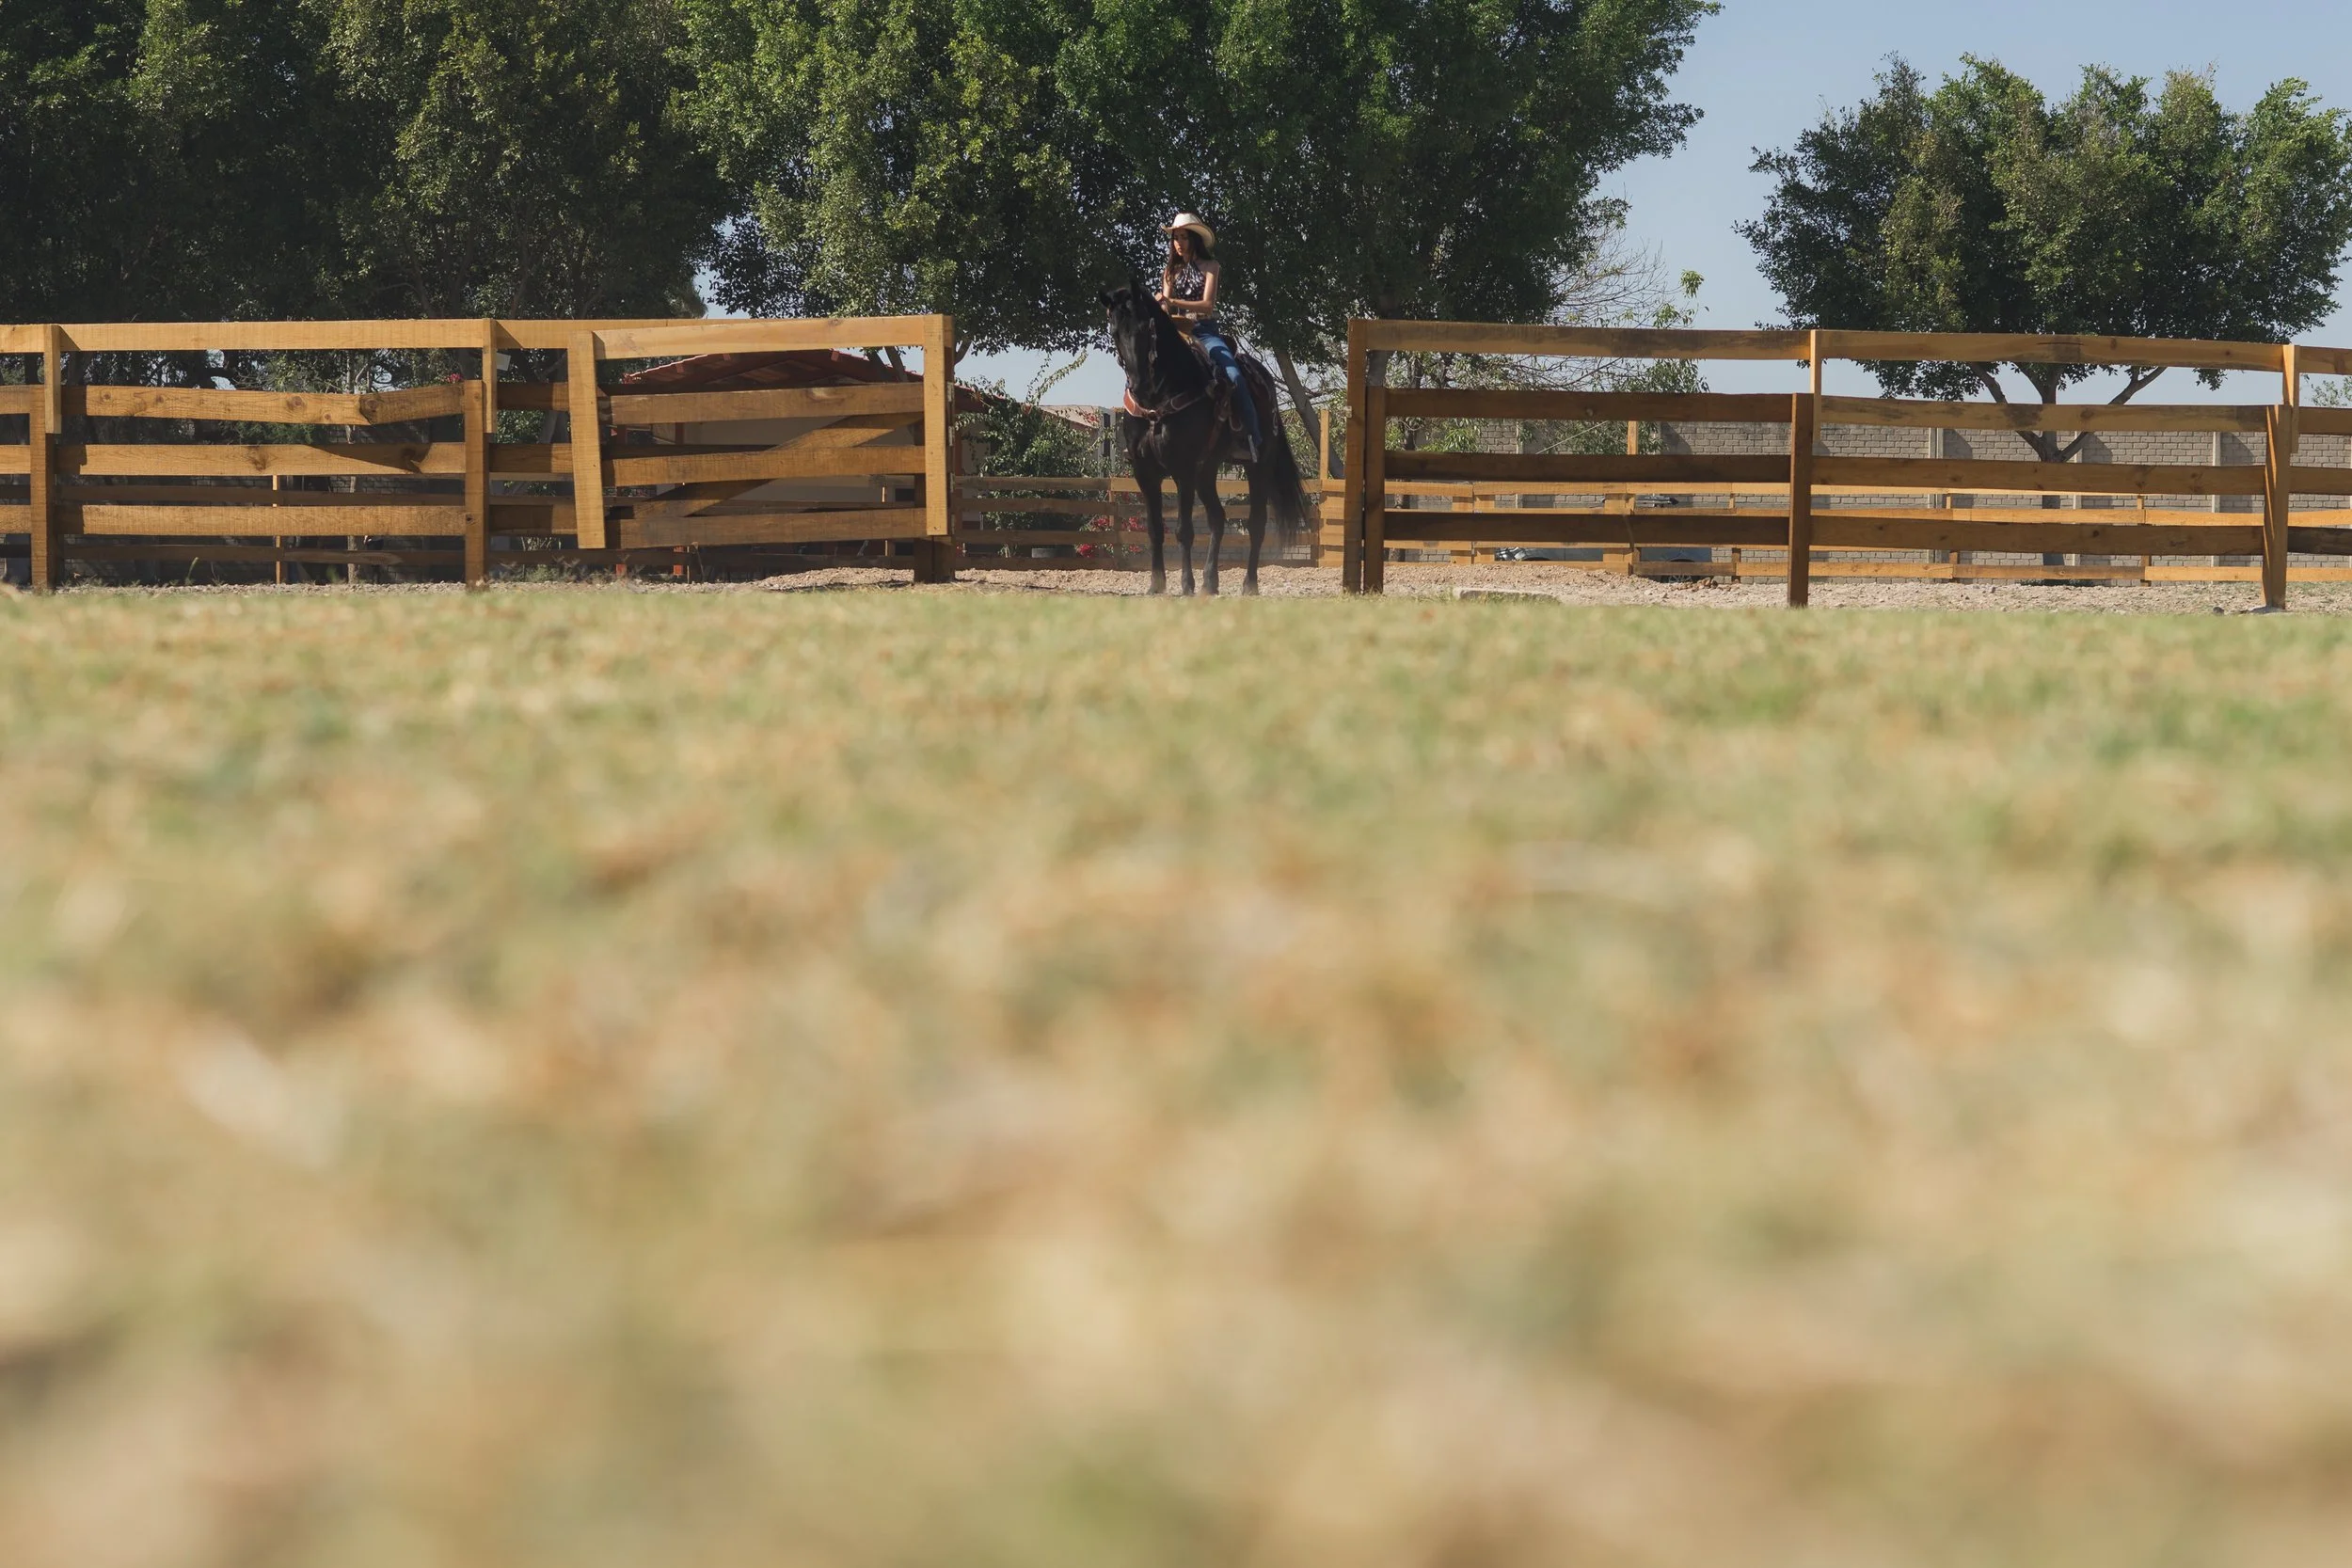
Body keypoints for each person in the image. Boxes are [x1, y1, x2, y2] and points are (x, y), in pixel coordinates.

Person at [1156, 213, 1262, 459]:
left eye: (1183, 237)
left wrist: (1171, 300)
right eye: (1175, 238)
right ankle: (1145, 435)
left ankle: (1251, 438)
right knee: (1147, 368)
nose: (1179, 243)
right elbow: (1166, 309)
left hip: (1204, 332)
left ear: (1194, 239)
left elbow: (1207, 305)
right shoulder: (1170, 271)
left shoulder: (1211, 267)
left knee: (1234, 375)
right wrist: (1159, 306)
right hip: (1176, 334)